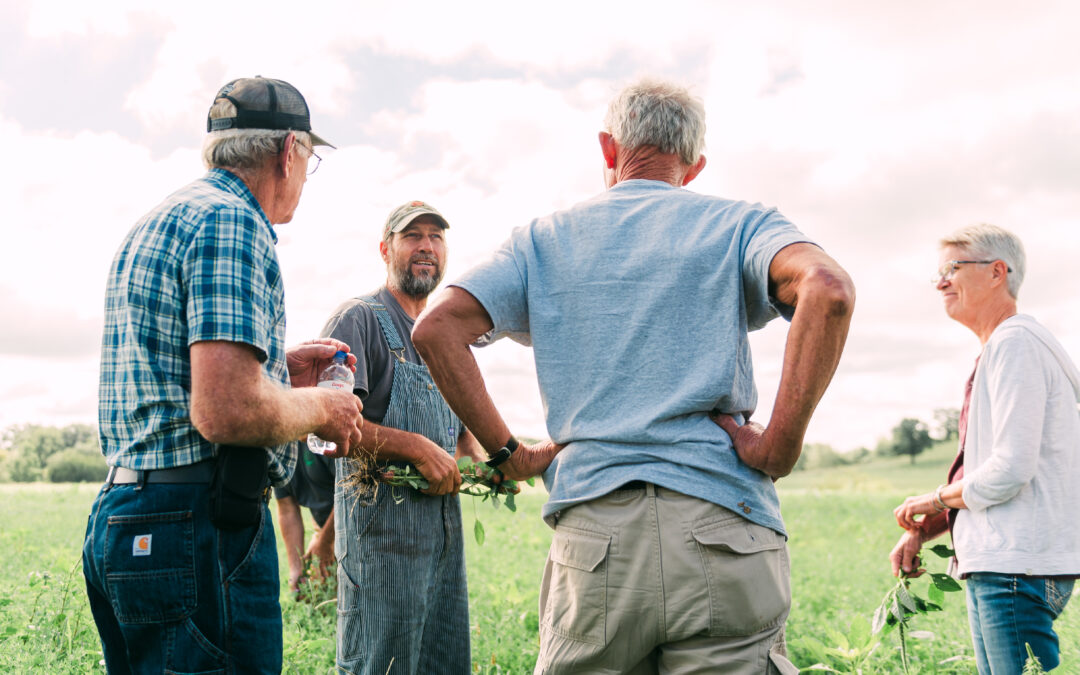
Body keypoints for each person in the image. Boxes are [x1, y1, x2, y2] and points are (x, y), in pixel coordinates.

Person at [412, 79, 855, 674]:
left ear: (608, 149)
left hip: (597, 540)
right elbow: (826, 289)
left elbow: (437, 328)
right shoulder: (742, 225)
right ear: (694, 167)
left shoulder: (541, 241)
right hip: (727, 529)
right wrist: (778, 445)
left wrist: (509, 454)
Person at [83, 76, 365, 673]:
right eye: (310, 161)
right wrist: (323, 406)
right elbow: (227, 411)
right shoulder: (232, 222)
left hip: (133, 510)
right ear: (290, 151)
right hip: (198, 521)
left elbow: (182, 377)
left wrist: (280, 371)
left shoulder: (167, 215)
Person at [891, 224, 1079, 674]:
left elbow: (1010, 469)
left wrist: (932, 499)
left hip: (1014, 568)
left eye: (952, 268)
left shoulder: (1016, 345)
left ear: (998, 272)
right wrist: (929, 526)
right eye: (938, 272)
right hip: (1007, 564)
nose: (940, 282)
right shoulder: (1010, 346)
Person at [326, 201, 488, 674]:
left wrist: (482, 460)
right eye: (412, 236)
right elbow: (332, 424)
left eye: (436, 237)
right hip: (380, 544)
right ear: (385, 249)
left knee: (441, 660)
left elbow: (457, 430)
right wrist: (416, 448)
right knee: (382, 663)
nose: (426, 246)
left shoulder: (443, 334)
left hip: (441, 541)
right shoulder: (357, 319)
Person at [274, 442, 336, 596]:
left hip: (358, 523)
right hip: (324, 527)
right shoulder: (277, 447)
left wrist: (325, 542)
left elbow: (350, 492)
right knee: (319, 593)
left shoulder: (325, 439)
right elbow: (287, 508)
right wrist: (296, 568)